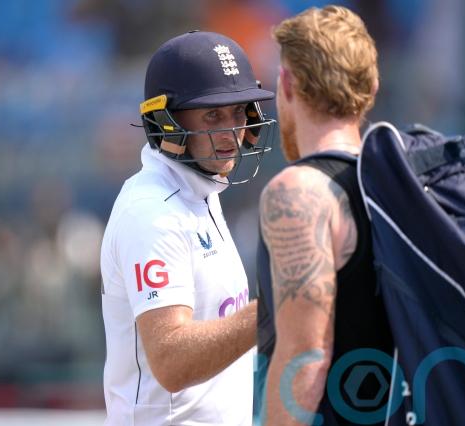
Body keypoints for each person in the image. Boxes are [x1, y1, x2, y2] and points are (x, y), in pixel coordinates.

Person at [100, 30, 276, 425]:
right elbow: (172, 361)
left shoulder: (199, 190)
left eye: (238, 112)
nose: (231, 132)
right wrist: (274, 310)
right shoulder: (151, 213)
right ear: (166, 121)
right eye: (212, 115)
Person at [257, 6, 394, 425]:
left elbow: (305, 356)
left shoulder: (299, 192)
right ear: (372, 87)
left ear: (287, 83)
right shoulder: (403, 184)